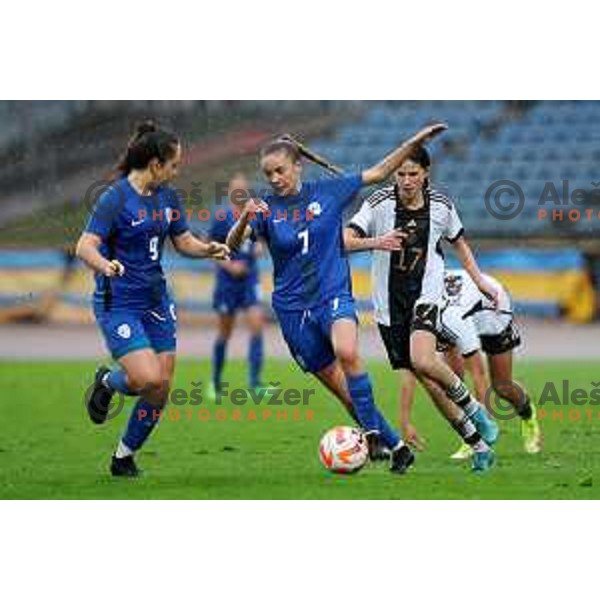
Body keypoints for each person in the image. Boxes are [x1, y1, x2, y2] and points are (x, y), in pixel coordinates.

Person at [227, 124, 447, 474]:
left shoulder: (329, 192)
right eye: (268, 174)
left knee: (347, 352)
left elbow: (377, 172)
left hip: (333, 294)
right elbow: (232, 247)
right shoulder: (265, 209)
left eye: (280, 170)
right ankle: (397, 447)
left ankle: (372, 433)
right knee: (346, 394)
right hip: (291, 310)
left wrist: (412, 143)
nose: (274, 178)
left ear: (298, 166)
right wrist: (243, 220)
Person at [76, 121, 229, 478]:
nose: (177, 171)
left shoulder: (168, 197)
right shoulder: (114, 198)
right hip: (120, 304)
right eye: (174, 165)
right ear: (156, 164)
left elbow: (183, 241)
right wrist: (105, 265)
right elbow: (85, 245)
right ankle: (107, 382)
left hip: (157, 302)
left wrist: (208, 249)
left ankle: (123, 457)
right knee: (147, 379)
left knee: (161, 387)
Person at [344, 146, 499, 472]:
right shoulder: (379, 203)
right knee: (429, 382)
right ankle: (478, 444)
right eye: (400, 174)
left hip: (427, 293)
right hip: (388, 305)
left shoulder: (441, 206)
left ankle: (476, 410)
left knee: (424, 359)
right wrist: (377, 241)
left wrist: (479, 280)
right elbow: (344, 240)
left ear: (426, 174)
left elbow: (460, 244)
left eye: (413, 174)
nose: (406, 180)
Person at [437, 269, 542, 458]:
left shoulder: (453, 315)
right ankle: (469, 438)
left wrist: (486, 424)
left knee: (501, 386)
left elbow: (479, 374)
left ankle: (528, 416)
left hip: (494, 312)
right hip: (462, 311)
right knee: (453, 381)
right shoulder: (426, 302)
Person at [207, 173, 267, 397]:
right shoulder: (222, 218)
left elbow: (261, 239)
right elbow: (212, 249)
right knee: (225, 332)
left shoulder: (255, 217)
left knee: (257, 325)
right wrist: (230, 266)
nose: (240, 193)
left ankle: (255, 384)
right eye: (236, 189)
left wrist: (260, 246)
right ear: (230, 192)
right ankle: (215, 383)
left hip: (250, 280)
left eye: (244, 189)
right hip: (227, 283)